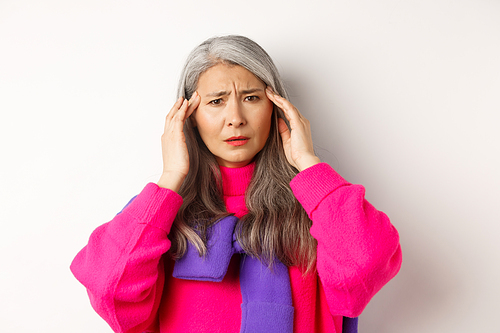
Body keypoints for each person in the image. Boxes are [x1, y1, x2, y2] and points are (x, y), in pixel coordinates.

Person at [70, 35, 402, 333]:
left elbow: (365, 268)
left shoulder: (318, 208)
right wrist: (170, 178)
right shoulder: (158, 216)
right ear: (188, 117)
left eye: (251, 98)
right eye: (216, 101)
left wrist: (307, 163)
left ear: (276, 108)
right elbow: (109, 292)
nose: (236, 118)